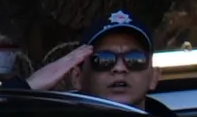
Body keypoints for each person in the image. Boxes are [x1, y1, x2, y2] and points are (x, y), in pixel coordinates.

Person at [33, 13, 161, 109]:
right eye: (103, 59)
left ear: (154, 78)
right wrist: (29, 86)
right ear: (77, 77)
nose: (120, 68)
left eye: (135, 59)